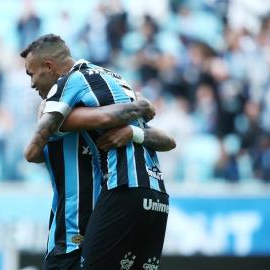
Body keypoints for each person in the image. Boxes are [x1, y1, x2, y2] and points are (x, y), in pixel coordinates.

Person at [21, 34, 175, 270]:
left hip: (96, 215)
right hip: (154, 196)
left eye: (31, 74)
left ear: (49, 66)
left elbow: (32, 152)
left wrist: (133, 129)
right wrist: (138, 112)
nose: (32, 84)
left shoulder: (67, 88)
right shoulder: (114, 84)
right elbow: (165, 139)